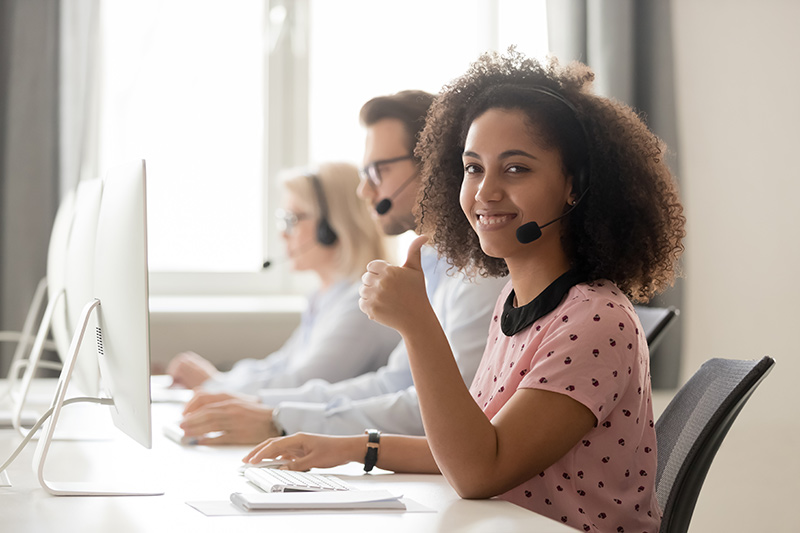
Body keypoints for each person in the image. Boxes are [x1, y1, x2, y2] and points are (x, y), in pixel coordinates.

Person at [243, 50, 685, 533]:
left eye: (516, 169)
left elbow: (480, 471)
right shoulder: (513, 303)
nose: (485, 191)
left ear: (574, 186)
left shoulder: (595, 320)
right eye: (473, 167)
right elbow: (477, 442)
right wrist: (354, 447)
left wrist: (417, 322)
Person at [176, 90, 508, 444]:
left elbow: (439, 414)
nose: (364, 191)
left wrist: (279, 420)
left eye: (377, 172)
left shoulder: (482, 275)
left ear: (434, 167)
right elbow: (392, 383)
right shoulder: (433, 264)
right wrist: (263, 408)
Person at [166, 162, 400, 396]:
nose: (282, 233)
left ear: (330, 228)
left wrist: (212, 385)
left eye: (292, 219)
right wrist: (220, 380)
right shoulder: (325, 297)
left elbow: (301, 383)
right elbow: (279, 365)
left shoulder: (364, 304)